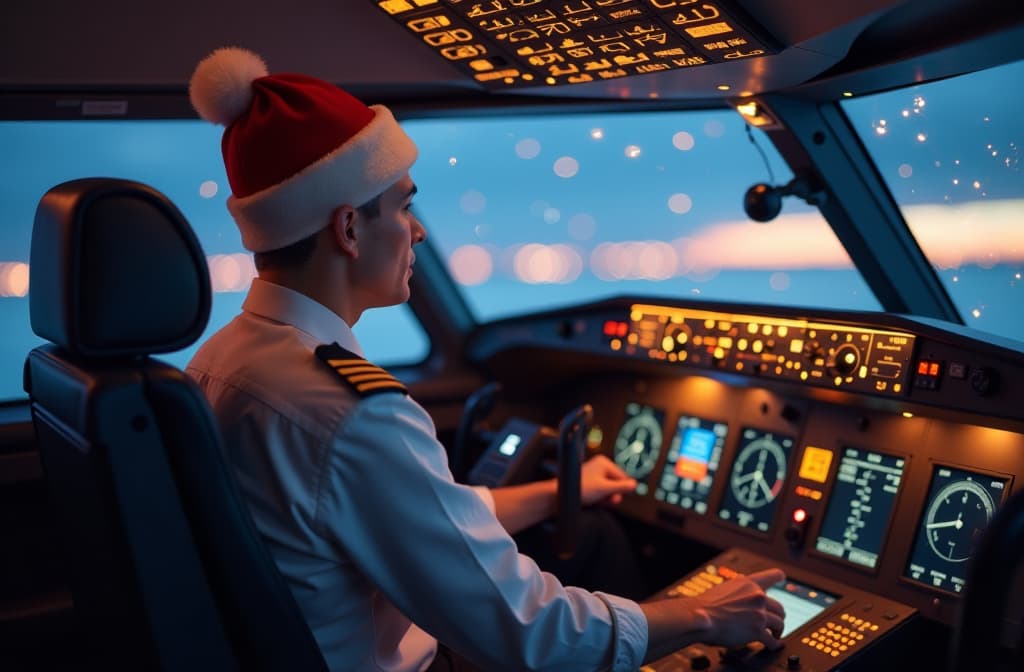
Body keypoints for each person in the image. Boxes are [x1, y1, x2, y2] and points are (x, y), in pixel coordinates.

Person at [185, 47, 787, 672]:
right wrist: (703, 616)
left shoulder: (220, 361)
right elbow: (530, 634)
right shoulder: (350, 414)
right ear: (349, 230)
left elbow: (410, 514)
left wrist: (554, 494)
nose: (416, 232)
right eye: (403, 206)